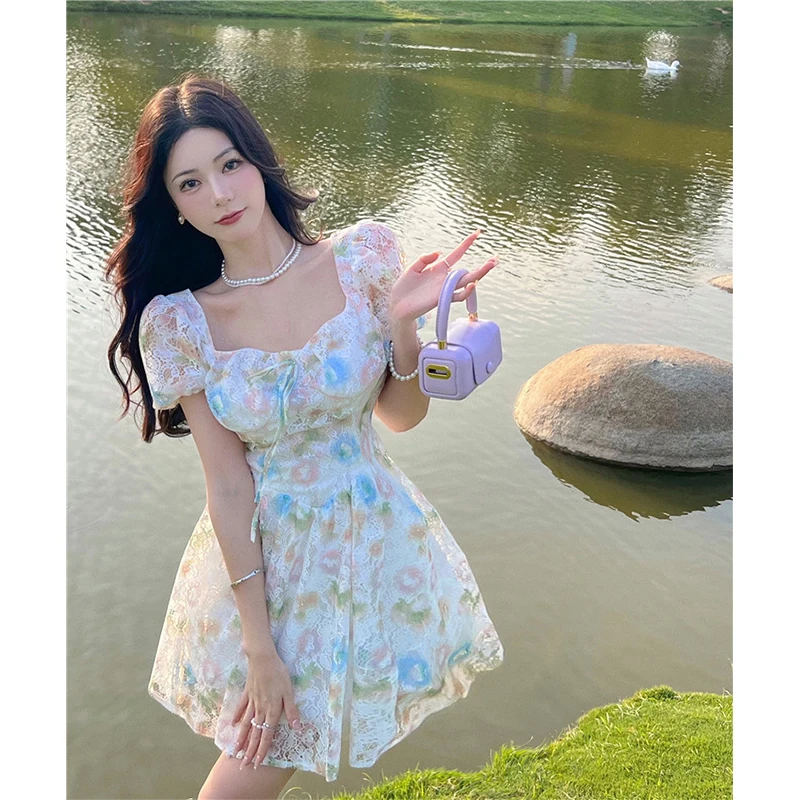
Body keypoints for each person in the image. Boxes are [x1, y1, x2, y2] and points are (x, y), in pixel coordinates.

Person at [106, 73, 504, 800]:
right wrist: (260, 647)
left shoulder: (363, 259)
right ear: (175, 207)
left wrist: (403, 327)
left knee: (262, 768)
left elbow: (400, 417)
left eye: (229, 165)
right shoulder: (180, 322)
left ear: (258, 160)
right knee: (249, 769)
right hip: (269, 567)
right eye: (190, 183)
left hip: (370, 539)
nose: (220, 194)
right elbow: (228, 484)